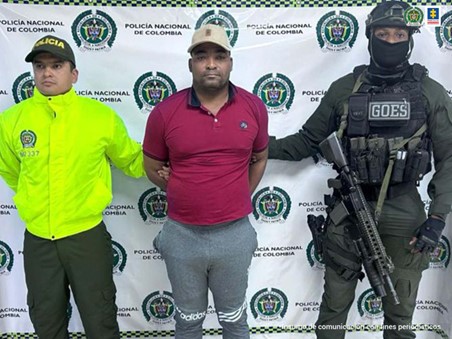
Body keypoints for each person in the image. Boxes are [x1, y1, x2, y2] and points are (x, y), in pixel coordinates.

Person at [268, 1, 452, 338]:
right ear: (370, 38)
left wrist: (437, 218)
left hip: (405, 212)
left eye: (400, 34)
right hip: (348, 212)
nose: (391, 41)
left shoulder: (429, 92)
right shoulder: (344, 89)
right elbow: (306, 141)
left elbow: (450, 158)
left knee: (399, 314)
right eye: (383, 34)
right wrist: (254, 146)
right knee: (334, 312)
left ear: (410, 40)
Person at [0, 35, 144, 339]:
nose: (47, 73)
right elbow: (12, 171)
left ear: (73, 73)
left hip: (86, 237)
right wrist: (33, 200)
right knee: (46, 320)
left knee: (100, 318)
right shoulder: (12, 121)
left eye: (56, 65)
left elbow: (132, 160)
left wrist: (182, 160)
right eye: (40, 66)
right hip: (39, 240)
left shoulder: (99, 117)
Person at [142, 24, 268, 339]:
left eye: (219, 56)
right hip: (182, 235)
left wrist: (238, 194)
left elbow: (260, 157)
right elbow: (152, 164)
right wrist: (182, 189)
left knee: (234, 322)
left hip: (235, 234)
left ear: (230, 62)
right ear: (191, 65)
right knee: (187, 323)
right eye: (201, 56)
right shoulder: (165, 112)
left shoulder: (254, 107)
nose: (210, 63)